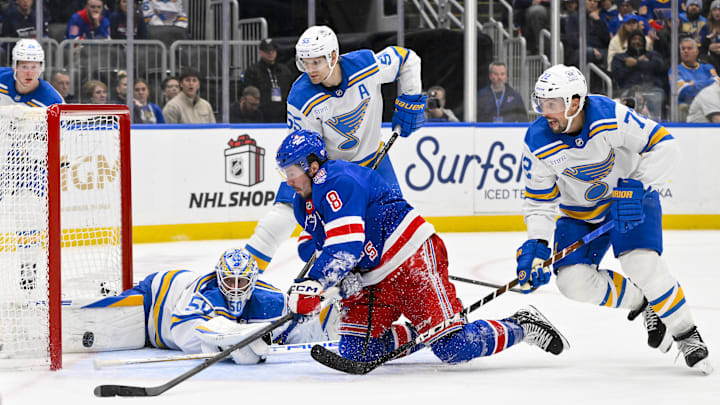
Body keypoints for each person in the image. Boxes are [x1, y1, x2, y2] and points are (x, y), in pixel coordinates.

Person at [276, 129, 569, 367]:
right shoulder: (305, 202)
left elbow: (345, 246)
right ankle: (427, 329)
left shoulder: (336, 179)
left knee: (455, 347)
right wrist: (333, 281)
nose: (287, 180)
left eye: (291, 171)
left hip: (409, 258)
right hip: (373, 277)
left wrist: (314, 284)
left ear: (313, 165)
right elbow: (316, 249)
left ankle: (521, 325)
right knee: (358, 351)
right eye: (284, 172)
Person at [516, 64, 711, 374]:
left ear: (574, 102)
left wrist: (637, 187)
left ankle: (686, 333)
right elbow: (539, 201)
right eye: (541, 103)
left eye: (551, 104)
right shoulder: (537, 139)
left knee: (641, 264)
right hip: (579, 214)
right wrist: (536, 245)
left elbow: (665, 145)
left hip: (629, 199)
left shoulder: (609, 116)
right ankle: (643, 302)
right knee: (571, 283)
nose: (544, 111)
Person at [244, 25, 426, 274]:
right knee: (286, 209)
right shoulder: (300, 97)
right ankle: (244, 272)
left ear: (332, 56)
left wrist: (411, 98)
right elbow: (307, 153)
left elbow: (407, 59)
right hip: (329, 170)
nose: (310, 70)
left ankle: (408, 277)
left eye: (316, 62)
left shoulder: (365, 65)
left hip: (374, 160)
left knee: (397, 223)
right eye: (305, 63)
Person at [120, 248, 337, 363]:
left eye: (241, 281)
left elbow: (300, 338)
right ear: (219, 278)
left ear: (252, 281)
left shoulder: (271, 301)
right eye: (228, 281)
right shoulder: (205, 292)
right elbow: (181, 331)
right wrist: (229, 342)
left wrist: (303, 325)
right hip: (156, 297)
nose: (234, 288)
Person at [611, 30, 666, 120]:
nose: (637, 42)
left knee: (657, 95)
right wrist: (634, 66)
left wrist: (636, 63)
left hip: (651, 90)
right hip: (627, 90)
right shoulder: (620, 57)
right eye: (634, 39)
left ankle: (655, 122)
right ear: (629, 41)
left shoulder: (652, 55)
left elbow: (658, 66)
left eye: (640, 39)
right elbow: (618, 75)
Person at [241, 38, 296, 123]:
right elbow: (249, 92)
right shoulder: (253, 71)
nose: (270, 53)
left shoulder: (284, 70)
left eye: (273, 51)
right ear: (260, 52)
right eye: (267, 51)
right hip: (261, 115)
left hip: (283, 113)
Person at [0, 38, 63, 107]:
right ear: (15, 67)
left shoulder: (53, 101)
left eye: (34, 67)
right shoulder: (1, 77)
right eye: (24, 67)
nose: (29, 73)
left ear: (41, 68)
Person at [563, 0, 611, 70]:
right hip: (579, 50)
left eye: (595, 1)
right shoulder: (574, 17)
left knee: (613, 54)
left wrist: (598, 21)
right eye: (589, 0)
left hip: (600, 49)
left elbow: (607, 40)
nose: (592, 3)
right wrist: (591, 48)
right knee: (588, 52)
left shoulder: (601, 18)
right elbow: (572, 39)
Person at [673, 37, 719, 108]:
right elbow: (682, 91)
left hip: (710, 104)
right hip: (688, 106)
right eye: (683, 49)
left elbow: (717, 83)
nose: (686, 51)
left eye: (689, 48)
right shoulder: (675, 70)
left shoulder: (707, 67)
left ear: (697, 51)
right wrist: (708, 83)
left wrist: (694, 83)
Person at [699, 0, 720, 72]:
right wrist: (709, 44)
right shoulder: (706, 28)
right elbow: (701, 49)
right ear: (711, 12)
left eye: (719, 10)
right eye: (714, 10)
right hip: (712, 61)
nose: (717, 12)